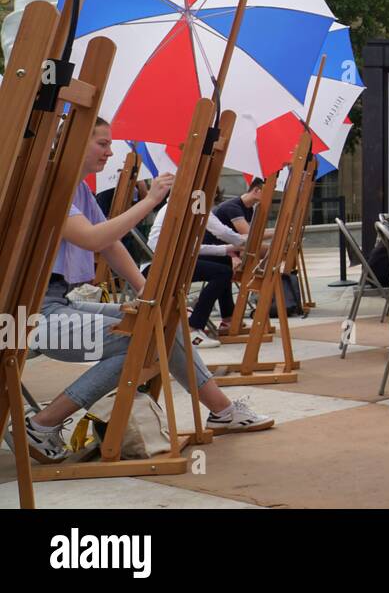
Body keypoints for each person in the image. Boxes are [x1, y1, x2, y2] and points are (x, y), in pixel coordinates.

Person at [15, 119, 273, 464]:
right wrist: (150, 200)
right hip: (28, 319)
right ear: (77, 143)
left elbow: (111, 246)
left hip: (57, 303)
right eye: (103, 144)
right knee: (140, 337)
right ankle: (43, 424)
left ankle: (222, 410)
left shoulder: (76, 188)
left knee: (160, 319)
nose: (110, 152)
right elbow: (94, 239)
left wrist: (145, 290)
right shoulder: (50, 185)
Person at [148, 196, 246, 346]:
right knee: (223, 273)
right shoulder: (194, 199)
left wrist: (229, 249)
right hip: (165, 264)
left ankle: (228, 319)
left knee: (225, 263)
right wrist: (246, 242)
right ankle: (194, 328)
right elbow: (220, 232)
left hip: (173, 258)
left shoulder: (186, 201)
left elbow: (193, 247)